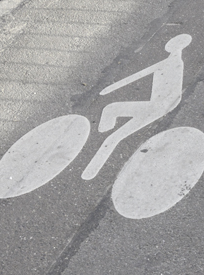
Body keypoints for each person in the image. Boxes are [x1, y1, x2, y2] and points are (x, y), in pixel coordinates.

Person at [82, 34, 192, 180]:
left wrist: (108, 90)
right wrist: (108, 89)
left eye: (173, 42)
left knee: (112, 115)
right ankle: (95, 152)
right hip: (160, 105)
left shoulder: (172, 62)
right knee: (114, 134)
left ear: (178, 45)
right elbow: (139, 76)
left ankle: (95, 144)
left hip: (158, 106)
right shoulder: (172, 61)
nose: (169, 44)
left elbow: (138, 76)